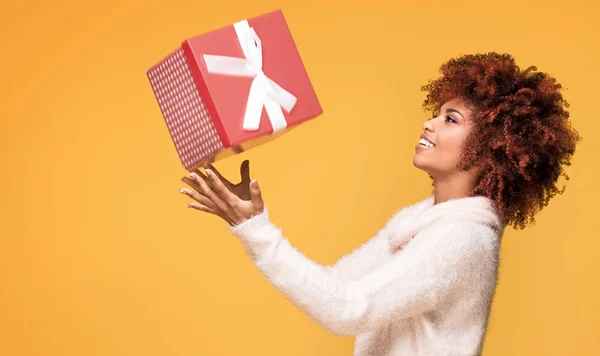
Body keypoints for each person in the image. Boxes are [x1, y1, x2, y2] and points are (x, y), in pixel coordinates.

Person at [178, 52, 581, 355]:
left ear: (491, 150)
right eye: (436, 113)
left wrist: (255, 231)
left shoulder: (462, 238)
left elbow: (349, 310)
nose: (429, 123)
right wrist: (254, 219)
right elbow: (338, 287)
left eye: (451, 119)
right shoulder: (423, 221)